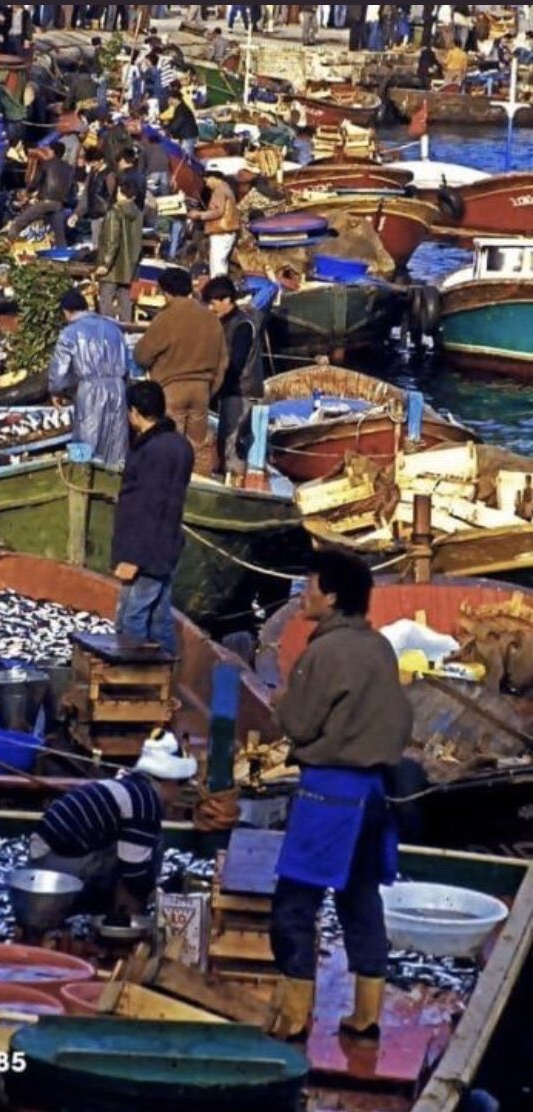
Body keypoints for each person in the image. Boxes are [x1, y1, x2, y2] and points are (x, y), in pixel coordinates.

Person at [269, 550, 413, 1042]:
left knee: (294, 903)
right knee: (359, 898)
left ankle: (293, 1015)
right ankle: (367, 1013)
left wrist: (280, 703)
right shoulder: (379, 648)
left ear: (330, 597)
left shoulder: (323, 652)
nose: (303, 594)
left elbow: (300, 721)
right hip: (375, 794)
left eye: (309, 586)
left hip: (330, 793)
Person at [29, 728, 197, 914]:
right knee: (150, 846)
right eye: (180, 785)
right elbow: (134, 873)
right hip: (55, 868)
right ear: (170, 782)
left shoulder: (131, 785)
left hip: (44, 857)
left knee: (138, 848)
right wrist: (152, 896)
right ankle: (122, 916)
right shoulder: (144, 801)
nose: (178, 794)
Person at [111, 380, 194, 657]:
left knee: (130, 619)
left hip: (147, 551)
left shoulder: (153, 451)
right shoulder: (180, 446)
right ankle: (168, 677)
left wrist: (133, 558)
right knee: (160, 621)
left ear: (134, 412)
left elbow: (149, 506)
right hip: (167, 546)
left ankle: (133, 683)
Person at [134, 267, 227, 476]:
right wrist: (210, 389)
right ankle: (200, 489)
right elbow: (223, 361)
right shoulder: (211, 318)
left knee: (170, 446)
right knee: (198, 447)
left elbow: (142, 355)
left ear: (166, 292)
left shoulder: (166, 317)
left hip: (171, 389)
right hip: (202, 390)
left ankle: (168, 488)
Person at [49, 288, 129, 466]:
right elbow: (127, 362)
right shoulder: (114, 328)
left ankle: (80, 480)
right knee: (115, 439)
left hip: (90, 390)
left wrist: (56, 391)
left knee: (85, 439)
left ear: (66, 311)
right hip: (118, 387)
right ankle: (114, 483)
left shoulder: (69, 333)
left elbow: (59, 370)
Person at [202, 275, 264, 483]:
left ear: (227, 300)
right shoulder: (224, 323)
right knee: (224, 441)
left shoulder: (243, 325)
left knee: (233, 443)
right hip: (229, 391)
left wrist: (216, 387)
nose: (211, 309)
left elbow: (236, 363)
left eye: (213, 303)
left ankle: (234, 484)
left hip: (242, 391)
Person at [96, 174, 144, 323]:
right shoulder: (138, 213)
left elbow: (112, 241)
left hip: (113, 267)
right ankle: (127, 330)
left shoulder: (115, 212)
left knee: (106, 300)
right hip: (129, 265)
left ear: (119, 191)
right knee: (125, 299)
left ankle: (108, 330)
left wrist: (105, 264)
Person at [188, 173, 240, 279]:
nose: (206, 183)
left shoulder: (219, 190)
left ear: (215, 178)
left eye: (207, 180)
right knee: (221, 262)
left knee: (217, 264)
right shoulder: (227, 188)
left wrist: (200, 215)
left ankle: (218, 286)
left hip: (220, 231)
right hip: (227, 231)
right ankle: (220, 283)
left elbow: (218, 211)